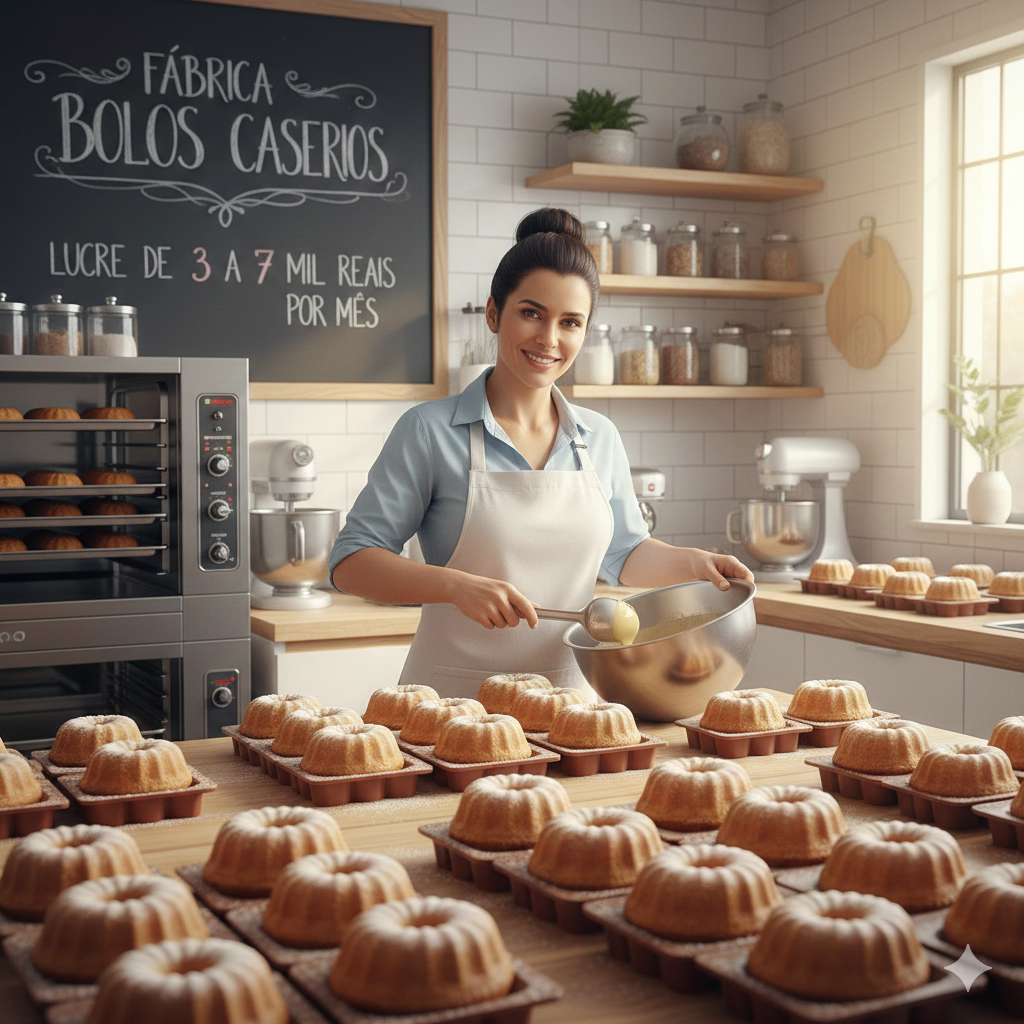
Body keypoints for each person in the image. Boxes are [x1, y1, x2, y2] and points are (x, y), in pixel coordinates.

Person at [330, 208, 753, 696]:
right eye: (531, 313)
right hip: (450, 707)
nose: (549, 339)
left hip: (569, 701)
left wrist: (692, 563)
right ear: (494, 313)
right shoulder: (429, 431)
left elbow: (625, 553)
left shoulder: (599, 437)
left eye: (570, 322)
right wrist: (454, 586)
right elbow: (351, 563)